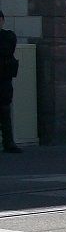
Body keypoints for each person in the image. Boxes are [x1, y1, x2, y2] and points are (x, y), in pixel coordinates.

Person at [0, 10, 20, 154]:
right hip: (4, 79)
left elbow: (8, 50)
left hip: (4, 79)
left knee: (5, 111)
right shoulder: (8, 37)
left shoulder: (8, 36)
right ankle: (8, 142)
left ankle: (8, 142)